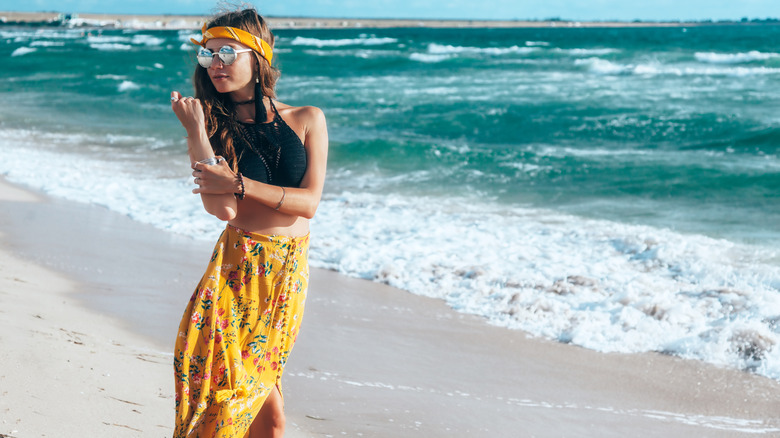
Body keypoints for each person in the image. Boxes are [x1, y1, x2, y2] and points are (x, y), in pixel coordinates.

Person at [169, 7, 328, 438]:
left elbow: (309, 203)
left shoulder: (307, 119)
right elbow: (222, 210)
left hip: (286, 277)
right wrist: (195, 132)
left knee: (267, 413)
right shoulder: (211, 127)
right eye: (207, 55)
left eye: (226, 54)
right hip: (237, 272)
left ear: (258, 58)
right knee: (233, 403)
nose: (214, 65)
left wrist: (239, 183)